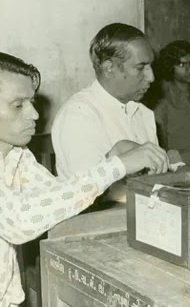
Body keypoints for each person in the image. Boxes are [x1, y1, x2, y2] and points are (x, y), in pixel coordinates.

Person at [0, 52, 168, 306]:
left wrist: (110, 158)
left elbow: (60, 197)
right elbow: (19, 222)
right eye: (18, 105)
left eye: (31, 101)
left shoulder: (16, 155)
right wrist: (117, 166)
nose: (34, 114)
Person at [52, 23, 167, 178]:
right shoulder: (78, 114)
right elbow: (84, 190)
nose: (151, 77)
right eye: (141, 68)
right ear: (109, 68)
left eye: (150, 66)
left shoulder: (142, 113)